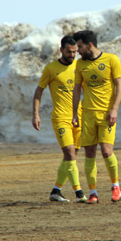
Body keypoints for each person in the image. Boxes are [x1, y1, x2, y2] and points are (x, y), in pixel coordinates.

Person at [72, 30, 121, 204]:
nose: (77, 50)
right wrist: (74, 113)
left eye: (79, 46)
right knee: (89, 153)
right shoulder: (80, 64)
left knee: (107, 151)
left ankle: (115, 185)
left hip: (106, 114)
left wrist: (115, 109)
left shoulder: (111, 60)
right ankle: (93, 192)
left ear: (90, 45)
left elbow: (119, 86)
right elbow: (77, 89)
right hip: (87, 114)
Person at [32, 35, 86, 203]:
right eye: (69, 52)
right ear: (61, 50)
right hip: (61, 118)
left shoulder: (79, 66)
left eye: (75, 52)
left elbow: (89, 90)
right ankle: (79, 193)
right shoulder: (51, 69)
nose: (72, 55)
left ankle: (56, 190)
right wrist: (36, 114)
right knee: (69, 154)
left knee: (71, 157)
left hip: (78, 118)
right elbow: (38, 92)